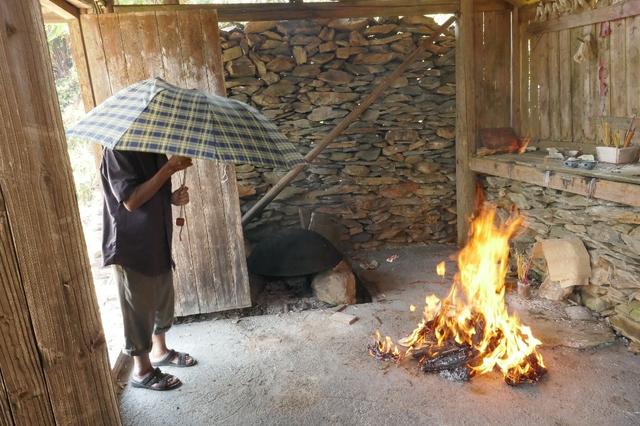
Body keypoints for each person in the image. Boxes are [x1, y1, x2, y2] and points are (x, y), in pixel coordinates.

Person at [101, 148, 196, 391]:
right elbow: (131, 201)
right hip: (132, 244)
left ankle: (160, 351)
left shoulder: (149, 147)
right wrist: (170, 168)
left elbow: (153, 190)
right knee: (139, 307)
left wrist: (171, 198)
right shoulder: (116, 151)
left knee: (160, 297)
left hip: (157, 237)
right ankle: (142, 370)